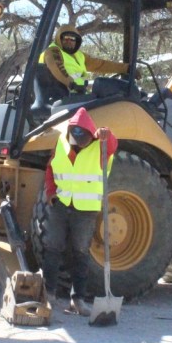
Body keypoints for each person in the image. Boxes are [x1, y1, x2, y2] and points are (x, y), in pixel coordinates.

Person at [41, 107, 118, 316]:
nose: (76, 139)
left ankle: (78, 300)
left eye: (81, 135)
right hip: (61, 203)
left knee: (80, 253)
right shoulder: (62, 142)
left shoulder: (101, 146)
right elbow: (51, 167)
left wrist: (106, 134)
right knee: (52, 247)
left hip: (85, 209)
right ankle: (48, 293)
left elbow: (112, 144)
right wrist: (51, 192)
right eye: (73, 134)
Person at [39, 25, 130, 94]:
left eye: (72, 39)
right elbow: (57, 68)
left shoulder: (80, 55)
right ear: (59, 38)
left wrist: (126, 68)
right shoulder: (53, 51)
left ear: (77, 41)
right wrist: (72, 85)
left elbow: (100, 65)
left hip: (77, 97)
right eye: (66, 38)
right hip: (60, 98)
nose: (69, 41)